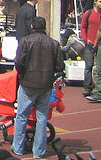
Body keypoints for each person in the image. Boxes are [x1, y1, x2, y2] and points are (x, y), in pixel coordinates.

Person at [11, 17, 64, 159]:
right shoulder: (53, 43)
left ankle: (18, 147)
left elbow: (19, 62)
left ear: (32, 26)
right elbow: (60, 66)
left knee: (22, 115)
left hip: (28, 82)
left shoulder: (26, 41)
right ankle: (39, 151)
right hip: (45, 84)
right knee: (42, 118)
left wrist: (22, 74)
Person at [79, 0, 101, 97]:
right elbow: (83, 26)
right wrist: (85, 38)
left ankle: (98, 88)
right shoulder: (88, 13)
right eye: (100, 2)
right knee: (88, 66)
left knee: (100, 68)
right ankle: (87, 87)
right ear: (95, 2)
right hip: (89, 43)